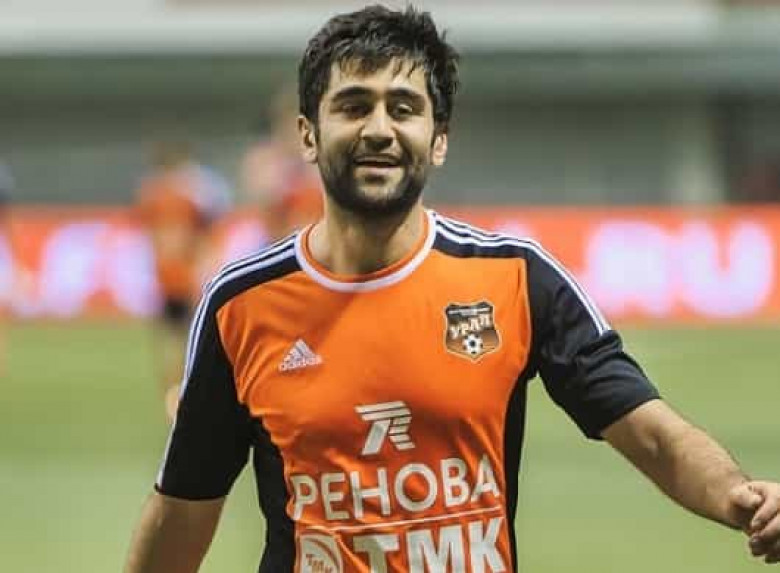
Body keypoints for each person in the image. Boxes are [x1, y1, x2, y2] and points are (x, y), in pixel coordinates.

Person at [125, 5, 780, 572]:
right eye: (353, 105)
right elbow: (184, 509)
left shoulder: (516, 277)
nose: (378, 128)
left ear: (438, 140)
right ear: (307, 134)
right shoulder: (241, 305)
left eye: (403, 108)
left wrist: (740, 497)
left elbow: (652, 435)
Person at [135, 140, 231, 421]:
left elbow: (149, 233)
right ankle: (183, 394)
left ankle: (173, 394)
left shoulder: (151, 195)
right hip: (184, 276)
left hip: (166, 275)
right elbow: (205, 231)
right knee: (187, 338)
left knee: (169, 338)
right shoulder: (191, 197)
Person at [240, 85, 323, 243]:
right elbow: (262, 203)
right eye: (286, 123)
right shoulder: (263, 158)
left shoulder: (321, 156)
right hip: (270, 235)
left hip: (314, 230)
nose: (291, 131)